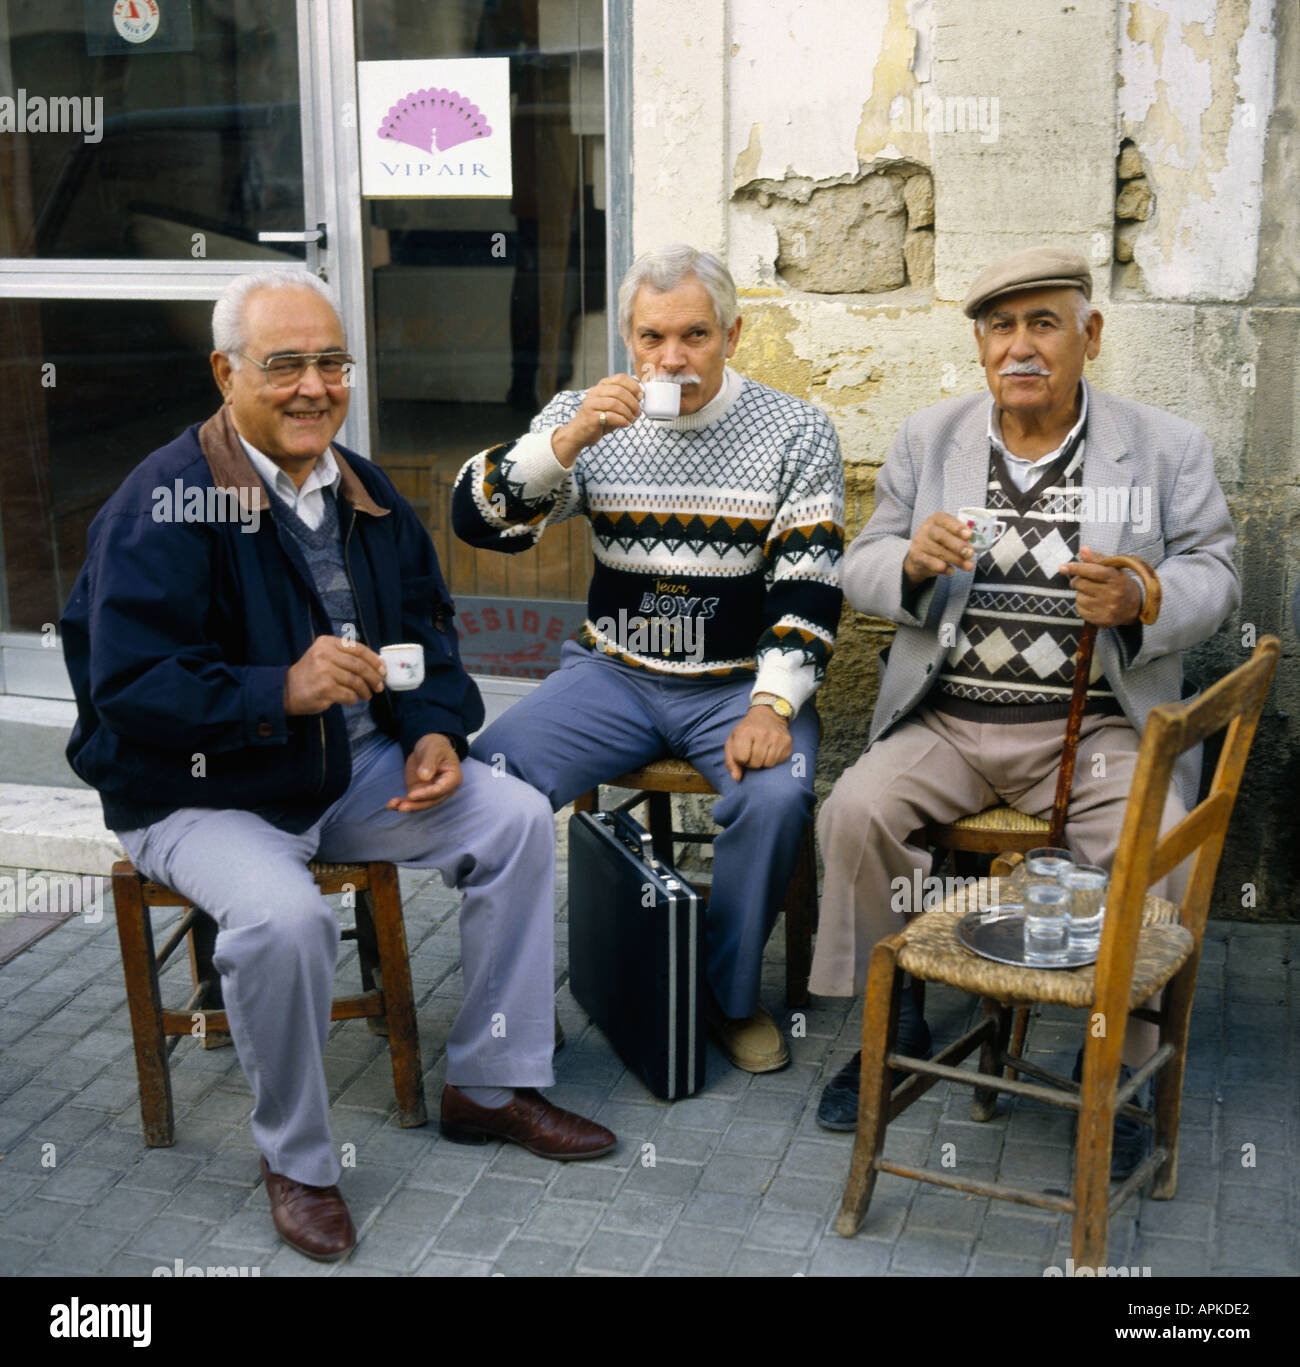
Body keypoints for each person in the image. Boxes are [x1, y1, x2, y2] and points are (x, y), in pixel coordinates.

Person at [61, 268, 615, 1264]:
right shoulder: (164, 503)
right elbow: (129, 688)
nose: (314, 385)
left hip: (348, 767)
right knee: (283, 917)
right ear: (225, 372)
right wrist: (278, 688)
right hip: (200, 791)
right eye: (284, 365)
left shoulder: (358, 486)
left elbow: (427, 627)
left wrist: (436, 727)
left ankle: (489, 1081)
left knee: (516, 816)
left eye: (330, 362)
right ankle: (300, 1160)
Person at [809, 246, 1240, 1171]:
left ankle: (1121, 1068)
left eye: (1044, 323)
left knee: (1156, 841)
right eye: (1001, 327)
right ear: (979, 346)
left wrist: (1147, 598)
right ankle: (896, 1016)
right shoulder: (932, 440)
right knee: (854, 810)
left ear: (1089, 335)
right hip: (951, 719)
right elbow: (860, 563)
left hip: (1095, 729)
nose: (1021, 347)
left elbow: (1220, 574)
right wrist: (911, 566)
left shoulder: (1163, 446)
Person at [452, 244, 845, 1074]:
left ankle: (725, 998)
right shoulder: (590, 418)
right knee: (486, 781)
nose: (672, 359)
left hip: (739, 683)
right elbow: (476, 518)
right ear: (629, 339)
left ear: (733, 335)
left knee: (773, 801)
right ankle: (512, 1003)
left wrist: (774, 705)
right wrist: (567, 439)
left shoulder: (796, 430)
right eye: (652, 337)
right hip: (613, 674)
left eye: (695, 335)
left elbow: (809, 587)